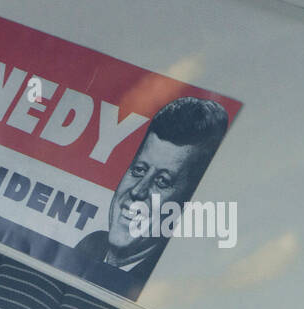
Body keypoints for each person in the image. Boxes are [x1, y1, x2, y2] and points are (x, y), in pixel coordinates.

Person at [75, 96, 230, 285]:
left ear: (188, 201)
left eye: (162, 181)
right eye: (139, 170)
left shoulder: (165, 282)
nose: (138, 191)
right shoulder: (91, 244)